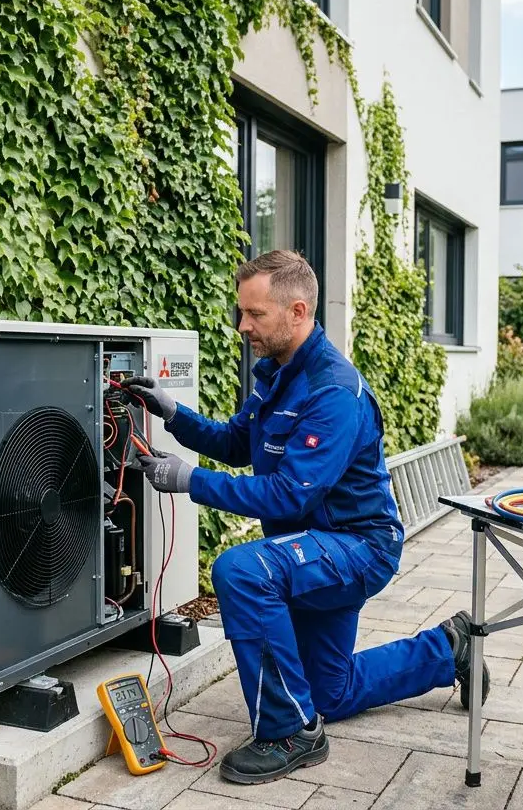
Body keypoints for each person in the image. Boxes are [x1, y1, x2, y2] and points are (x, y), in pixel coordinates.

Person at [124, 250, 490, 786]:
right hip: (312, 548)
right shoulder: (278, 374)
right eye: (242, 312)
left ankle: (289, 733)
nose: (243, 326)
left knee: (241, 571)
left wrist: (190, 481)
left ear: (297, 312)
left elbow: (287, 496)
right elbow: (237, 442)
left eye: (255, 314)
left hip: (357, 548)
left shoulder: (333, 391)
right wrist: (174, 414)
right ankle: (448, 648)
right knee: (328, 694)